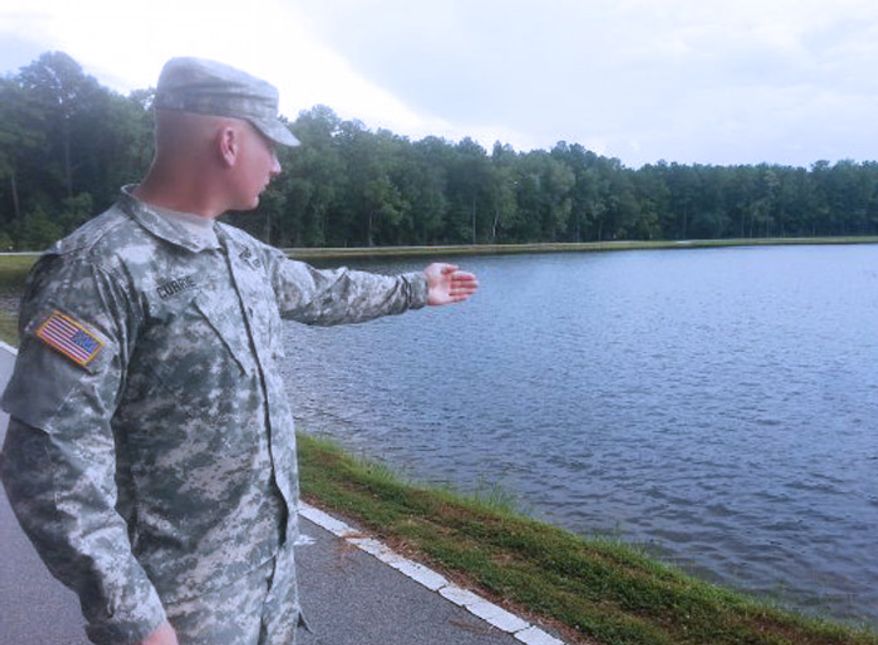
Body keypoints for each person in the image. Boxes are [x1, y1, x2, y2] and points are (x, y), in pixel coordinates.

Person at [0, 57, 478, 645]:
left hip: (269, 601)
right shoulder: (97, 269)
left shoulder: (239, 253)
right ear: (229, 142)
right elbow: (49, 465)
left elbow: (323, 292)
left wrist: (414, 289)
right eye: (270, 145)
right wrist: (134, 618)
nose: (277, 165)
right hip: (179, 617)